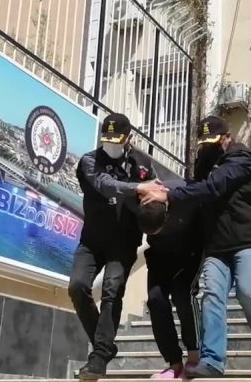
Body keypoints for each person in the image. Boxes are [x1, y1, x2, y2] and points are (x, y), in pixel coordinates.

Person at [140, 116, 251, 379]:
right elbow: (194, 187)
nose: (210, 147)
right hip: (218, 246)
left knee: (249, 293)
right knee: (212, 295)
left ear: (227, 137)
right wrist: (164, 188)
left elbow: (214, 186)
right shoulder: (204, 161)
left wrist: (170, 194)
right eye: (205, 142)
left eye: (215, 141)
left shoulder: (242, 158)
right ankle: (213, 362)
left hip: (250, 240)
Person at [69, 113, 164, 379]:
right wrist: (138, 187)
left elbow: (155, 199)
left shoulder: (143, 166)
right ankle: (106, 345)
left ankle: (99, 356)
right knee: (77, 286)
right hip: (92, 240)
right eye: (107, 139)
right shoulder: (89, 161)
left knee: (112, 289)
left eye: (116, 139)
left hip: (123, 241)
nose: (110, 145)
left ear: (128, 138)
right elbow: (104, 185)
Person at [137, 180, 202, 379]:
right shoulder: (139, 199)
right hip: (160, 256)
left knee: (183, 294)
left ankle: (194, 356)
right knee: (155, 300)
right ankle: (174, 363)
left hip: (189, 254)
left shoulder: (184, 196)